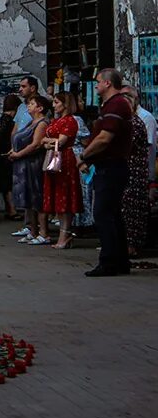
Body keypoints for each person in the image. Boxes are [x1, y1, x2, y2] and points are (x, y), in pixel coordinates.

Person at [79, 69, 133, 276]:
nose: (96, 85)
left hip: (112, 166)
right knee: (112, 215)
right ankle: (120, 260)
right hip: (109, 165)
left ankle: (110, 261)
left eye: (98, 82)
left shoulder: (117, 105)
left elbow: (104, 138)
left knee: (102, 214)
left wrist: (84, 156)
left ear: (108, 83)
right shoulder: (112, 105)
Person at [8, 95, 51, 245]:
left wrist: (18, 154)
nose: (29, 106)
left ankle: (44, 232)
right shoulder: (31, 122)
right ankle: (33, 231)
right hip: (23, 163)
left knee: (36, 197)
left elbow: (36, 144)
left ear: (40, 108)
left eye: (32, 104)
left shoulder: (42, 123)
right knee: (28, 198)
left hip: (33, 164)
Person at [42, 92, 82, 250]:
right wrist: (49, 142)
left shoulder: (70, 121)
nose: (54, 105)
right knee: (57, 197)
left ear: (65, 104)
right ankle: (64, 233)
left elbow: (62, 141)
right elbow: (44, 141)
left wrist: (49, 141)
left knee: (64, 196)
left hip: (64, 159)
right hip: (54, 157)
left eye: (57, 102)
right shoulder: (56, 120)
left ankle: (65, 233)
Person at [120, 86, 152, 257]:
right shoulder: (130, 122)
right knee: (126, 208)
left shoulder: (135, 123)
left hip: (134, 172)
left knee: (132, 209)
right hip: (129, 170)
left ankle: (132, 246)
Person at [0, 95, 22, 220]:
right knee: (8, 184)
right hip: (7, 154)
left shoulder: (2, 119)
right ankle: (12, 210)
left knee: (5, 184)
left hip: (1, 154)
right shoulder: (9, 120)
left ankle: (9, 209)